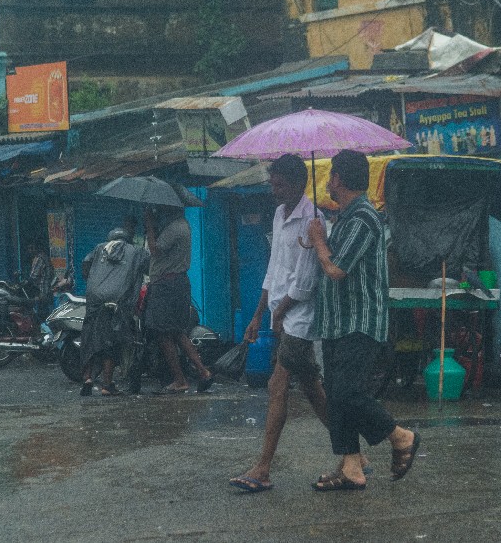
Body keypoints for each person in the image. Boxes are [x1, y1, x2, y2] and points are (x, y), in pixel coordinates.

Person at [306, 149, 419, 491]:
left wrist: (318, 241)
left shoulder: (364, 218)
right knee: (337, 396)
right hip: (337, 322)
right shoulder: (345, 217)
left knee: (349, 393)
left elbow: (336, 269)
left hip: (359, 321)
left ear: (338, 178)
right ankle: (351, 466)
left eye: (331, 176)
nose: (327, 182)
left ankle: (401, 436)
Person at [228, 154, 331, 493]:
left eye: (280, 184)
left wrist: (279, 312)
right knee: (313, 390)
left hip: (299, 318)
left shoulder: (313, 221)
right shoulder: (277, 214)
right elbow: (274, 269)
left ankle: (263, 468)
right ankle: (353, 453)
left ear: (298, 183)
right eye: (271, 184)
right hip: (279, 315)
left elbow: (305, 282)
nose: (274, 190)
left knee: (277, 385)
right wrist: (259, 313)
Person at [143, 205, 213, 393]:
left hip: (167, 285)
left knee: (163, 333)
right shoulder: (182, 226)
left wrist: (149, 225)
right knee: (176, 332)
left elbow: (155, 250)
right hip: (174, 284)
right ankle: (202, 371)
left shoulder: (175, 228)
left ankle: (181, 379)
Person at [79, 228, 149, 396]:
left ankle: (87, 377)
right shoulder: (136, 251)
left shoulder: (99, 248)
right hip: (118, 299)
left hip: (95, 298)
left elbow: (85, 264)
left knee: (90, 338)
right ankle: (107, 385)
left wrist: (94, 280)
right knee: (111, 341)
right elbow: (149, 268)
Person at [27, 241, 54, 321]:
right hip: (47, 288)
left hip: (43, 290)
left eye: (31, 248)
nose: (30, 251)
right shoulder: (44, 257)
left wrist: (27, 282)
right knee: (45, 311)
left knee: (42, 312)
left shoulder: (39, 258)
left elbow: (33, 276)